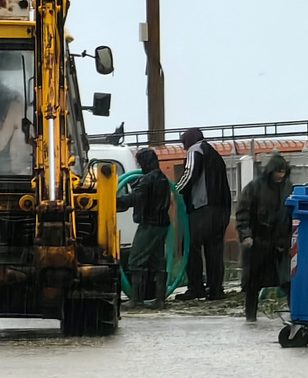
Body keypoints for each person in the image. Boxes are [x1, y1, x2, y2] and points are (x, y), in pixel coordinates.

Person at [236, 152, 293, 322]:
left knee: (288, 282)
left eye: (283, 172)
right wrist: (246, 235)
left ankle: (296, 316)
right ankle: (250, 316)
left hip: (281, 243)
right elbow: (243, 213)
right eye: (277, 172)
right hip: (258, 242)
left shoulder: (289, 188)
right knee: (253, 283)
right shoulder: (254, 188)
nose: (280, 176)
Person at [176, 127, 232, 301]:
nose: (184, 148)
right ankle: (216, 290)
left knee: (190, 246)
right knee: (214, 249)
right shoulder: (214, 154)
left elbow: (190, 174)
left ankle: (196, 287)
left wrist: (175, 190)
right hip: (222, 209)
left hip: (203, 208)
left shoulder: (196, 150)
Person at [116, 147, 172, 309]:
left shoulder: (147, 180)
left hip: (149, 224)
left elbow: (136, 198)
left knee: (136, 261)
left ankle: (136, 299)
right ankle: (160, 300)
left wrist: (116, 202)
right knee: (157, 261)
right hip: (162, 224)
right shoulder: (162, 178)